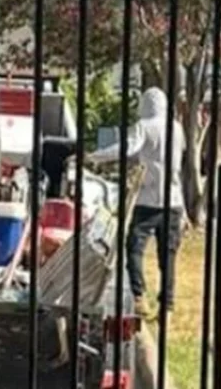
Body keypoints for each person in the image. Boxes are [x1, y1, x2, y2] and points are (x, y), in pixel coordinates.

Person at [88, 86, 186, 318]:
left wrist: (94, 156)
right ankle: (167, 306)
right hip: (173, 201)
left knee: (134, 247)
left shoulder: (145, 126)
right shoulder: (177, 128)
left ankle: (139, 296)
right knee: (168, 255)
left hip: (148, 200)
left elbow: (127, 148)